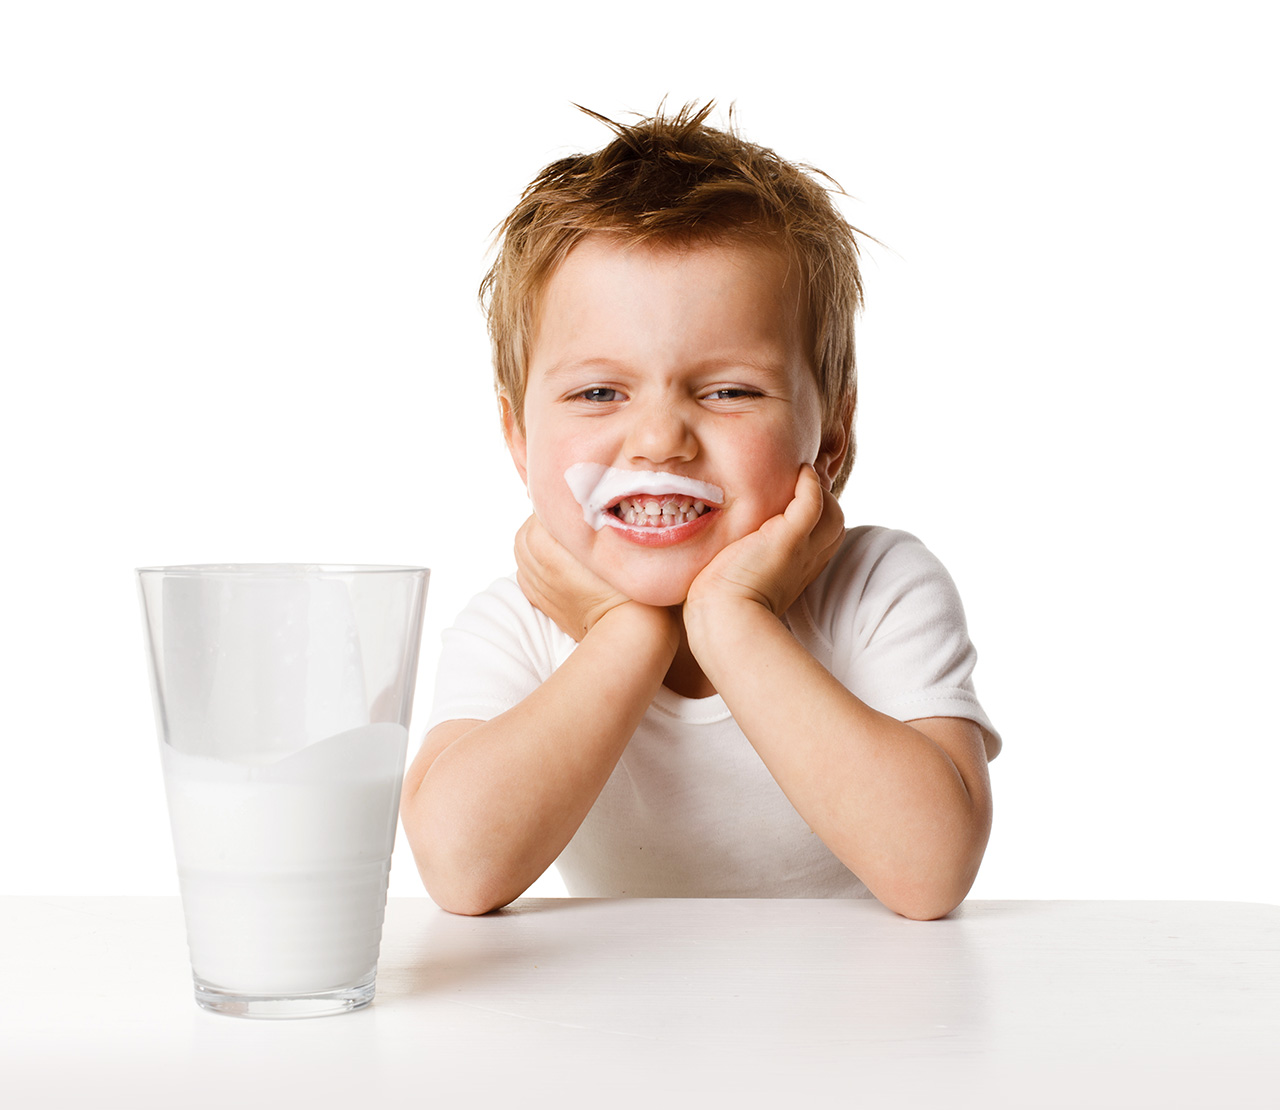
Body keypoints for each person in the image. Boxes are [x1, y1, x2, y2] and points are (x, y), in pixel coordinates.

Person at [401, 102, 1000, 920]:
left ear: (831, 435)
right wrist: (626, 631)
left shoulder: (879, 589)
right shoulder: (520, 625)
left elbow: (931, 874)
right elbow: (461, 871)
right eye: (599, 392)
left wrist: (732, 619)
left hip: (856, 1033)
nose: (657, 441)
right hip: (616, 1034)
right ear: (517, 435)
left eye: (728, 391)